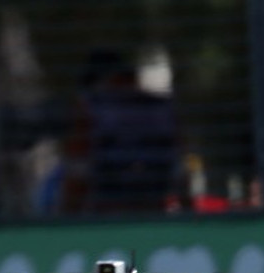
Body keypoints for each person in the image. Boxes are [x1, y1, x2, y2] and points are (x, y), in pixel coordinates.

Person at [61, 49, 178, 214]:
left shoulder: (91, 109)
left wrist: (64, 219)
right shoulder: (162, 109)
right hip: (152, 215)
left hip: (110, 218)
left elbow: (78, 174)